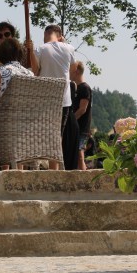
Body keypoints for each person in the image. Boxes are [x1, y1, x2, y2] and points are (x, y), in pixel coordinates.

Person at [34, 25, 78, 170]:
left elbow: (35, 72)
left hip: (45, 98)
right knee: (58, 134)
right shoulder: (69, 48)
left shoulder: (39, 49)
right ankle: (55, 169)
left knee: (47, 134)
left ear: (45, 34)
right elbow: (73, 70)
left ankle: (49, 166)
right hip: (64, 98)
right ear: (60, 35)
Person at [71, 60, 93, 171]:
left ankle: (84, 175)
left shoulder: (85, 88)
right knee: (75, 153)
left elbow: (82, 109)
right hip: (76, 127)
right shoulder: (74, 88)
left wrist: (71, 120)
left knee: (79, 153)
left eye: (71, 70)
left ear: (77, 71)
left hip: (82, 127)